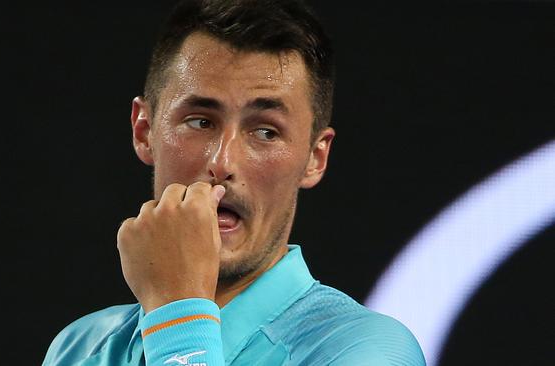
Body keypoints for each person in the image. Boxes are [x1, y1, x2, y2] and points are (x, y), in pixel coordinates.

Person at [43, 0, 425, 365]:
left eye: (265, 132)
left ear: (315, 157)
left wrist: (177, 314)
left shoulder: (368, 351)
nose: (222, 163)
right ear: (144, 130)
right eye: (200, 122)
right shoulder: (80, 347)